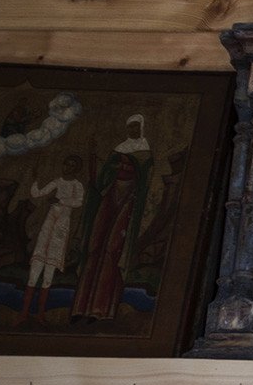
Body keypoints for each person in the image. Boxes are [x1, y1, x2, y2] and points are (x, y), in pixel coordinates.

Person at [71, 115, 154, 323]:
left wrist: (126, 168)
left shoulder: (145, 152)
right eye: (130, 126)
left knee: (113, 250)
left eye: (136, 126)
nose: (133, 129)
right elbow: (102, 178)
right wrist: (105, 167)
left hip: (128, 201)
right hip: (110, 196)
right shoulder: (119, 149)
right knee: (95, 246)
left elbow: (144, 179)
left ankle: (101, 309)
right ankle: (81, 308)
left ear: (141, 127)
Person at [19, 155, 87, 324]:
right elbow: (37, 193)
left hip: (61, 229)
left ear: (76, 169)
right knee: (35, 271)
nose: (68, 168)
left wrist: (60, 200)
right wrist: (35, 179)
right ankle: (24, 314)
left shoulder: (77, 185)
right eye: (66, 164)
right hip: (49, 225)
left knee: (49, 274)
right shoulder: (57, 181)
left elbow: (79, 202)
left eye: (72, 165)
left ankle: (40, 315)